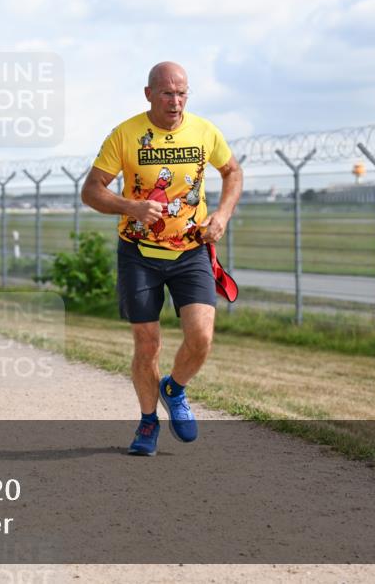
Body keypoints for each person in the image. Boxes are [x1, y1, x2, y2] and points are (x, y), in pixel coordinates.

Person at [81, 61, 243, 456]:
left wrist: (220, 215)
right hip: (139, 254)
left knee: (201, 336)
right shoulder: (126, 134)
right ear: (149, 93)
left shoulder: (205, 131)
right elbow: (91, 190)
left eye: (182, 92)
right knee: (147, 343)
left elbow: (232, 172)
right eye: (168, 93)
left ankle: (174, 387)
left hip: (192, 253)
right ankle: (148, 422)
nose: (176, 101)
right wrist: (131, 207)